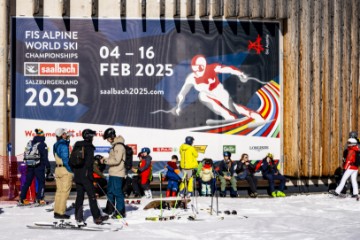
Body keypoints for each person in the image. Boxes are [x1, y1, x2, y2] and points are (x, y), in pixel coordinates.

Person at [174, 55, 264, 122]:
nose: (201, 70)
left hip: (219, 92)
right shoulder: (191, 78)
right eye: (199, 67)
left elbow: (227, 69)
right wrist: (179, 106)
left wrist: (239, 73)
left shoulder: (211, 68)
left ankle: (255, 116)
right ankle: (229, 117)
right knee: (202, 95)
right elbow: (182, 93)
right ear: (194, 67)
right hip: (208, 95)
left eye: (203, 67)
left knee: (234, 108)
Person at [72, 129, 109, 225]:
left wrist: (76, 172)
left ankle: (78, 217)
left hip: (77, 175)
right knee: (92, 196)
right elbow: (89, 165)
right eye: (92, 136)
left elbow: (70, 162)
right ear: (89, 137)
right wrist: (92, 178)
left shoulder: (77, 145)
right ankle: (97, 217)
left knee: (79, 196)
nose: (93, 138)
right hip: (86, 176)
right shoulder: (89, 147)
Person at [19, 128, 51, 205]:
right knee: (41, 182)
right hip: (39, 166)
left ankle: (22, 199)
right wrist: (48, 167)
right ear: (43, 135)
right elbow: (44, 157)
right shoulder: (43, 144)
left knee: (28, 182)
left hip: (30, 165)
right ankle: (40, 199)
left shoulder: (30, 143)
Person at [101, 128, 126, 219]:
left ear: (111, 137)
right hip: (113, 172)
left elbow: (117, 160)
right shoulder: (115, 145)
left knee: (117, 192)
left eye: (107, 138)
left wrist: (105, 161)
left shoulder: (119, 146)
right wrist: (105, 159)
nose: (107, 141)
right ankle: (109, 209)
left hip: (117, 173)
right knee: (110, 192)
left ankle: (120, 212)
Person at [53, 128, 74, 219]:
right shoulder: (64, 146)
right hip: (65, 170)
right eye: (65, 133)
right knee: (64, 192)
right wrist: (71, 170)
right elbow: (66, 159)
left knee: (59, 191)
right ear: (62, 135)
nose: (67, 134)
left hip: (58, 169)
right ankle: (61, 212)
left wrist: (67, 139)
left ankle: (57, 211)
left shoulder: (56, 144)